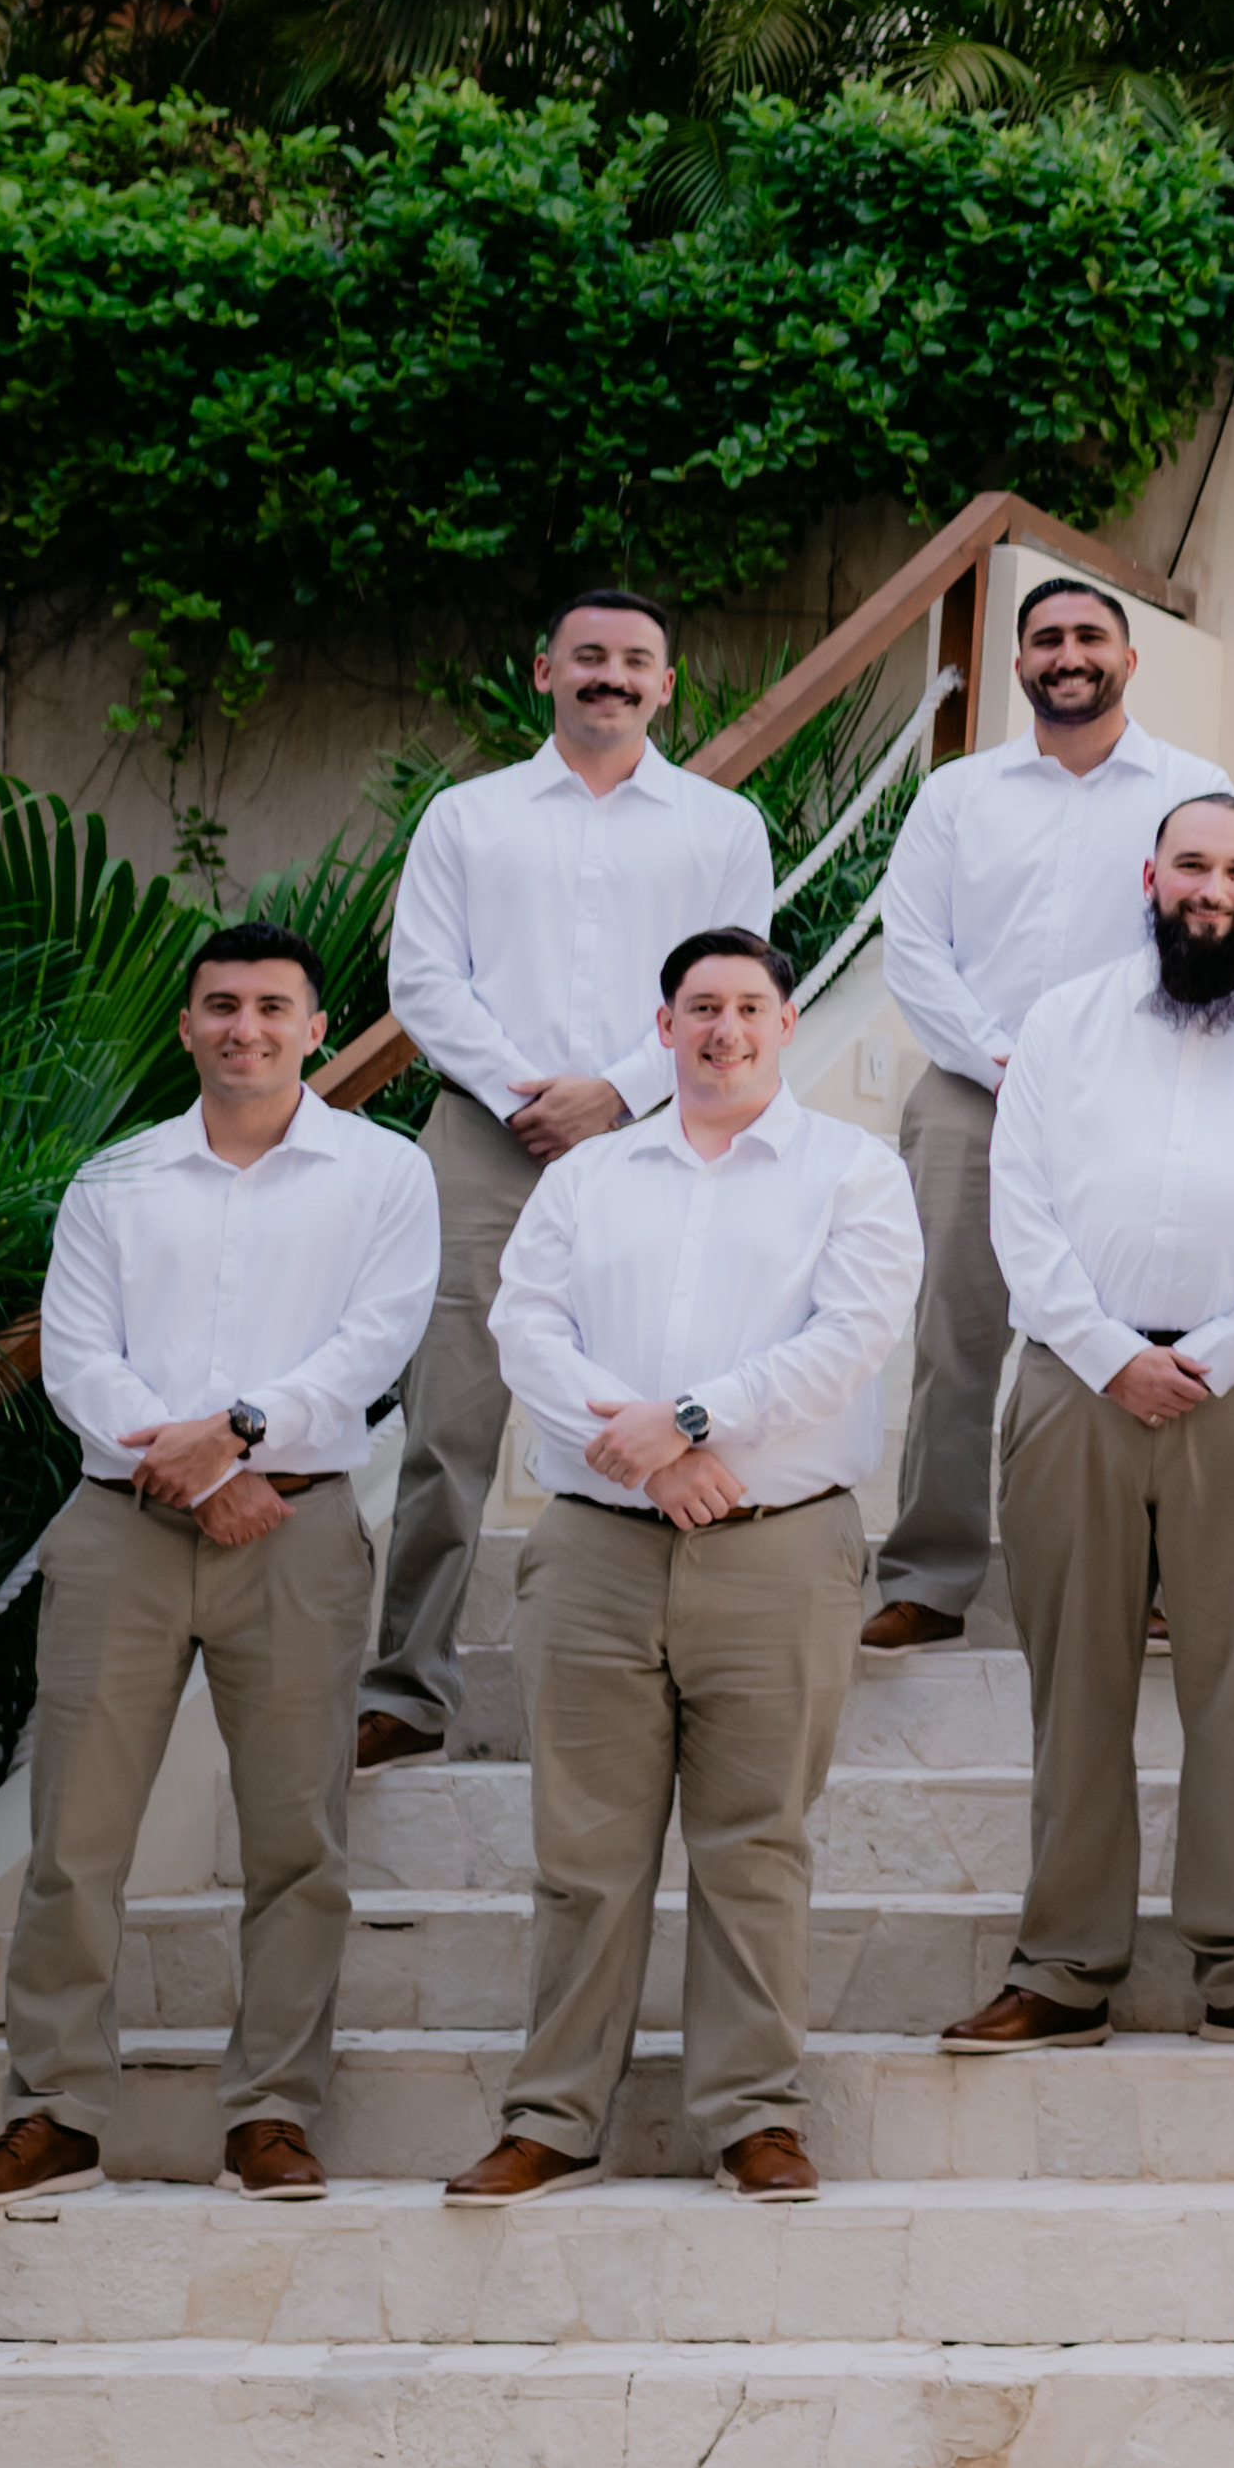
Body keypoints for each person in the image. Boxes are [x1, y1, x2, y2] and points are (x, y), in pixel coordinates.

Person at [0, 923, 436, 2209]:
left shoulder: (383, 1175)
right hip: (126, 1527)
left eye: (274, 1006)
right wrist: (211, 1469)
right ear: (187, 1025)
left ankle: (271, 2110)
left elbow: (376, 1340)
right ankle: (53, 2110)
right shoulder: (118, 1177)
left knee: (296, 1836)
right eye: (221, 1004)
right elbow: (78, 1358)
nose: (246, 1027)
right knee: (75, 1837)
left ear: (319, 1027)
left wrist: (244, 1435)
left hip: (301, 1526)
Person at [440, 928, 918, 2204]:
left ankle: (751, 2112)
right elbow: (524, 1326)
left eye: (748, 1006)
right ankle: (552, 2113)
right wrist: (652, 1454)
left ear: (787, 1021)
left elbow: (850, 1335)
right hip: (600, 1547)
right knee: (584, 1848)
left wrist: (695, 1417)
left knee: (756, 1842)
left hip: (778, 1549)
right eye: (699, 1007)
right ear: (662, 1028)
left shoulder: (853, 1171)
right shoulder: (592, 1176)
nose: (724, 1029)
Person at [937, 792, 1234, 2059]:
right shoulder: (1067, 1021)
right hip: (1077, 1382)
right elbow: (1018, 1202)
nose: (1213, 886)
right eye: (1192, 862)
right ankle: (1064, 1962)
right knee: (1074, 1678)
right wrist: (1108, 1351)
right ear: (1151, 872)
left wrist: (1217, 1353)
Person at [362, 587, 775, 1766]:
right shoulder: (467, 817)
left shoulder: (720, 826)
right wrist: (526, 1094)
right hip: (488, 1139)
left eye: (634, 660)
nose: (610, 674)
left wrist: (616, 1090)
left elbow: (732, 986)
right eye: (587, 655)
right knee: (450, 1416)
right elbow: (426, 980)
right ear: (542, 670)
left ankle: (669, 1684)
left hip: (659, 1136)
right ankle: (407, 1685)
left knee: (661, 1392)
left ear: (667, 684)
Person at [850, 573, 1217, 1654]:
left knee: (1130, 1336)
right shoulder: (958, 794)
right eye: (1046, 637)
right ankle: (931, 1573)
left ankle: (1139, 1578)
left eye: (1090, 635)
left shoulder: (1192, 786)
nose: (1068, 652)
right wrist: (999, 1058)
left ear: (1128, 659)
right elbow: (911, 945)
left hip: (1129, 1105)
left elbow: (1204, 923)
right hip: (972, 1096)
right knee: (955, 1335)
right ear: (1018, 663)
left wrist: (1091, 1066)